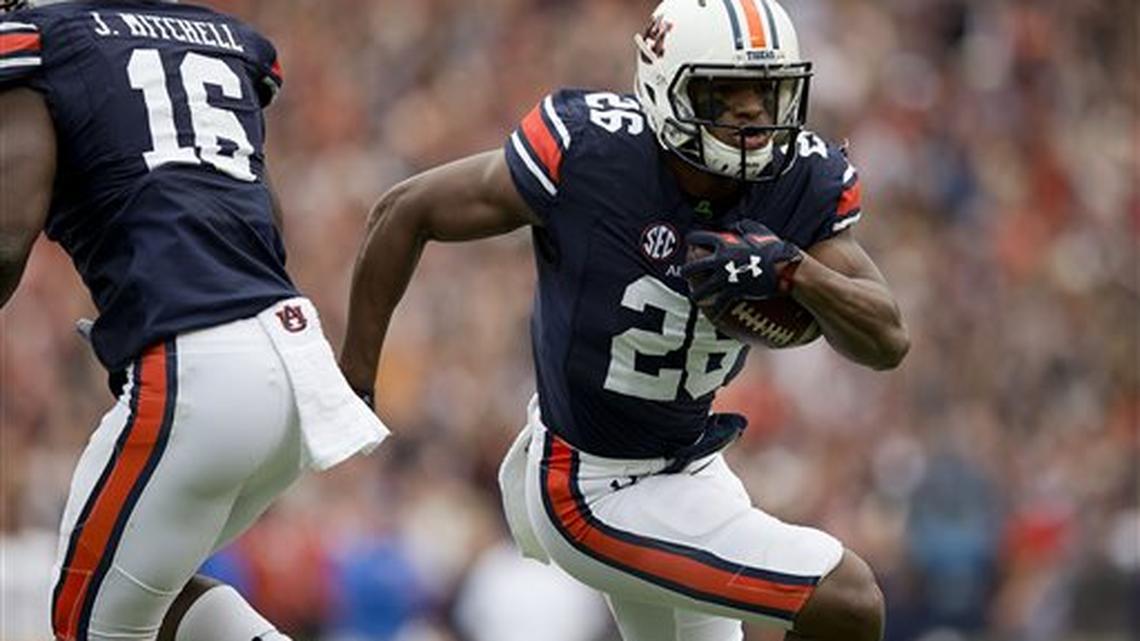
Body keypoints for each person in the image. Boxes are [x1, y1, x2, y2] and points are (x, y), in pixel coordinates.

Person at [341, 0, 908, 639]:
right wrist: (355, 383)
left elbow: (888, 339)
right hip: (590, 485)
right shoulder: (592, 155)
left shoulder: (799, 181)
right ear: (669, 88)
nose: (754, 114)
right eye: (728, 93)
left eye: (768, 93)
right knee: (849, 599)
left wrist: (791, 270)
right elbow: (403, 209)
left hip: (687, 468)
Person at [0, 1, 388, 640]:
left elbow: (7, 237)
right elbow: (261, 216)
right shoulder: (215, 36)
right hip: (290, 360)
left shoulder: (47, 40)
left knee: (83, 621)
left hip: (197, 370)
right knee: (148, 588)